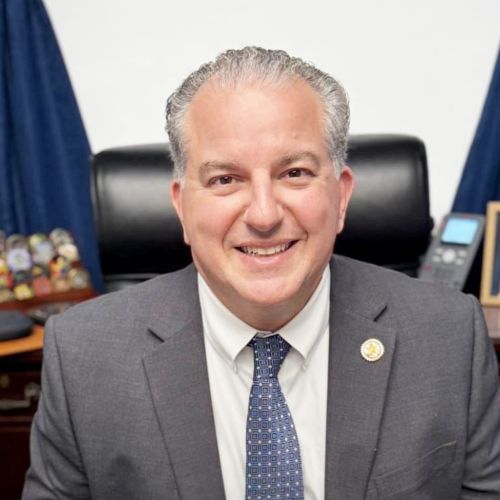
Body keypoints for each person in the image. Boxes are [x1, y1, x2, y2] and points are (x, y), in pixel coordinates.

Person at [23, 47, 500, 500]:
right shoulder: (84, 357)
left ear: (341, 197)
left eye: (294, 173)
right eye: (225, 179)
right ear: (182, 207)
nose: (264, 214)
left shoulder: (448, 337)